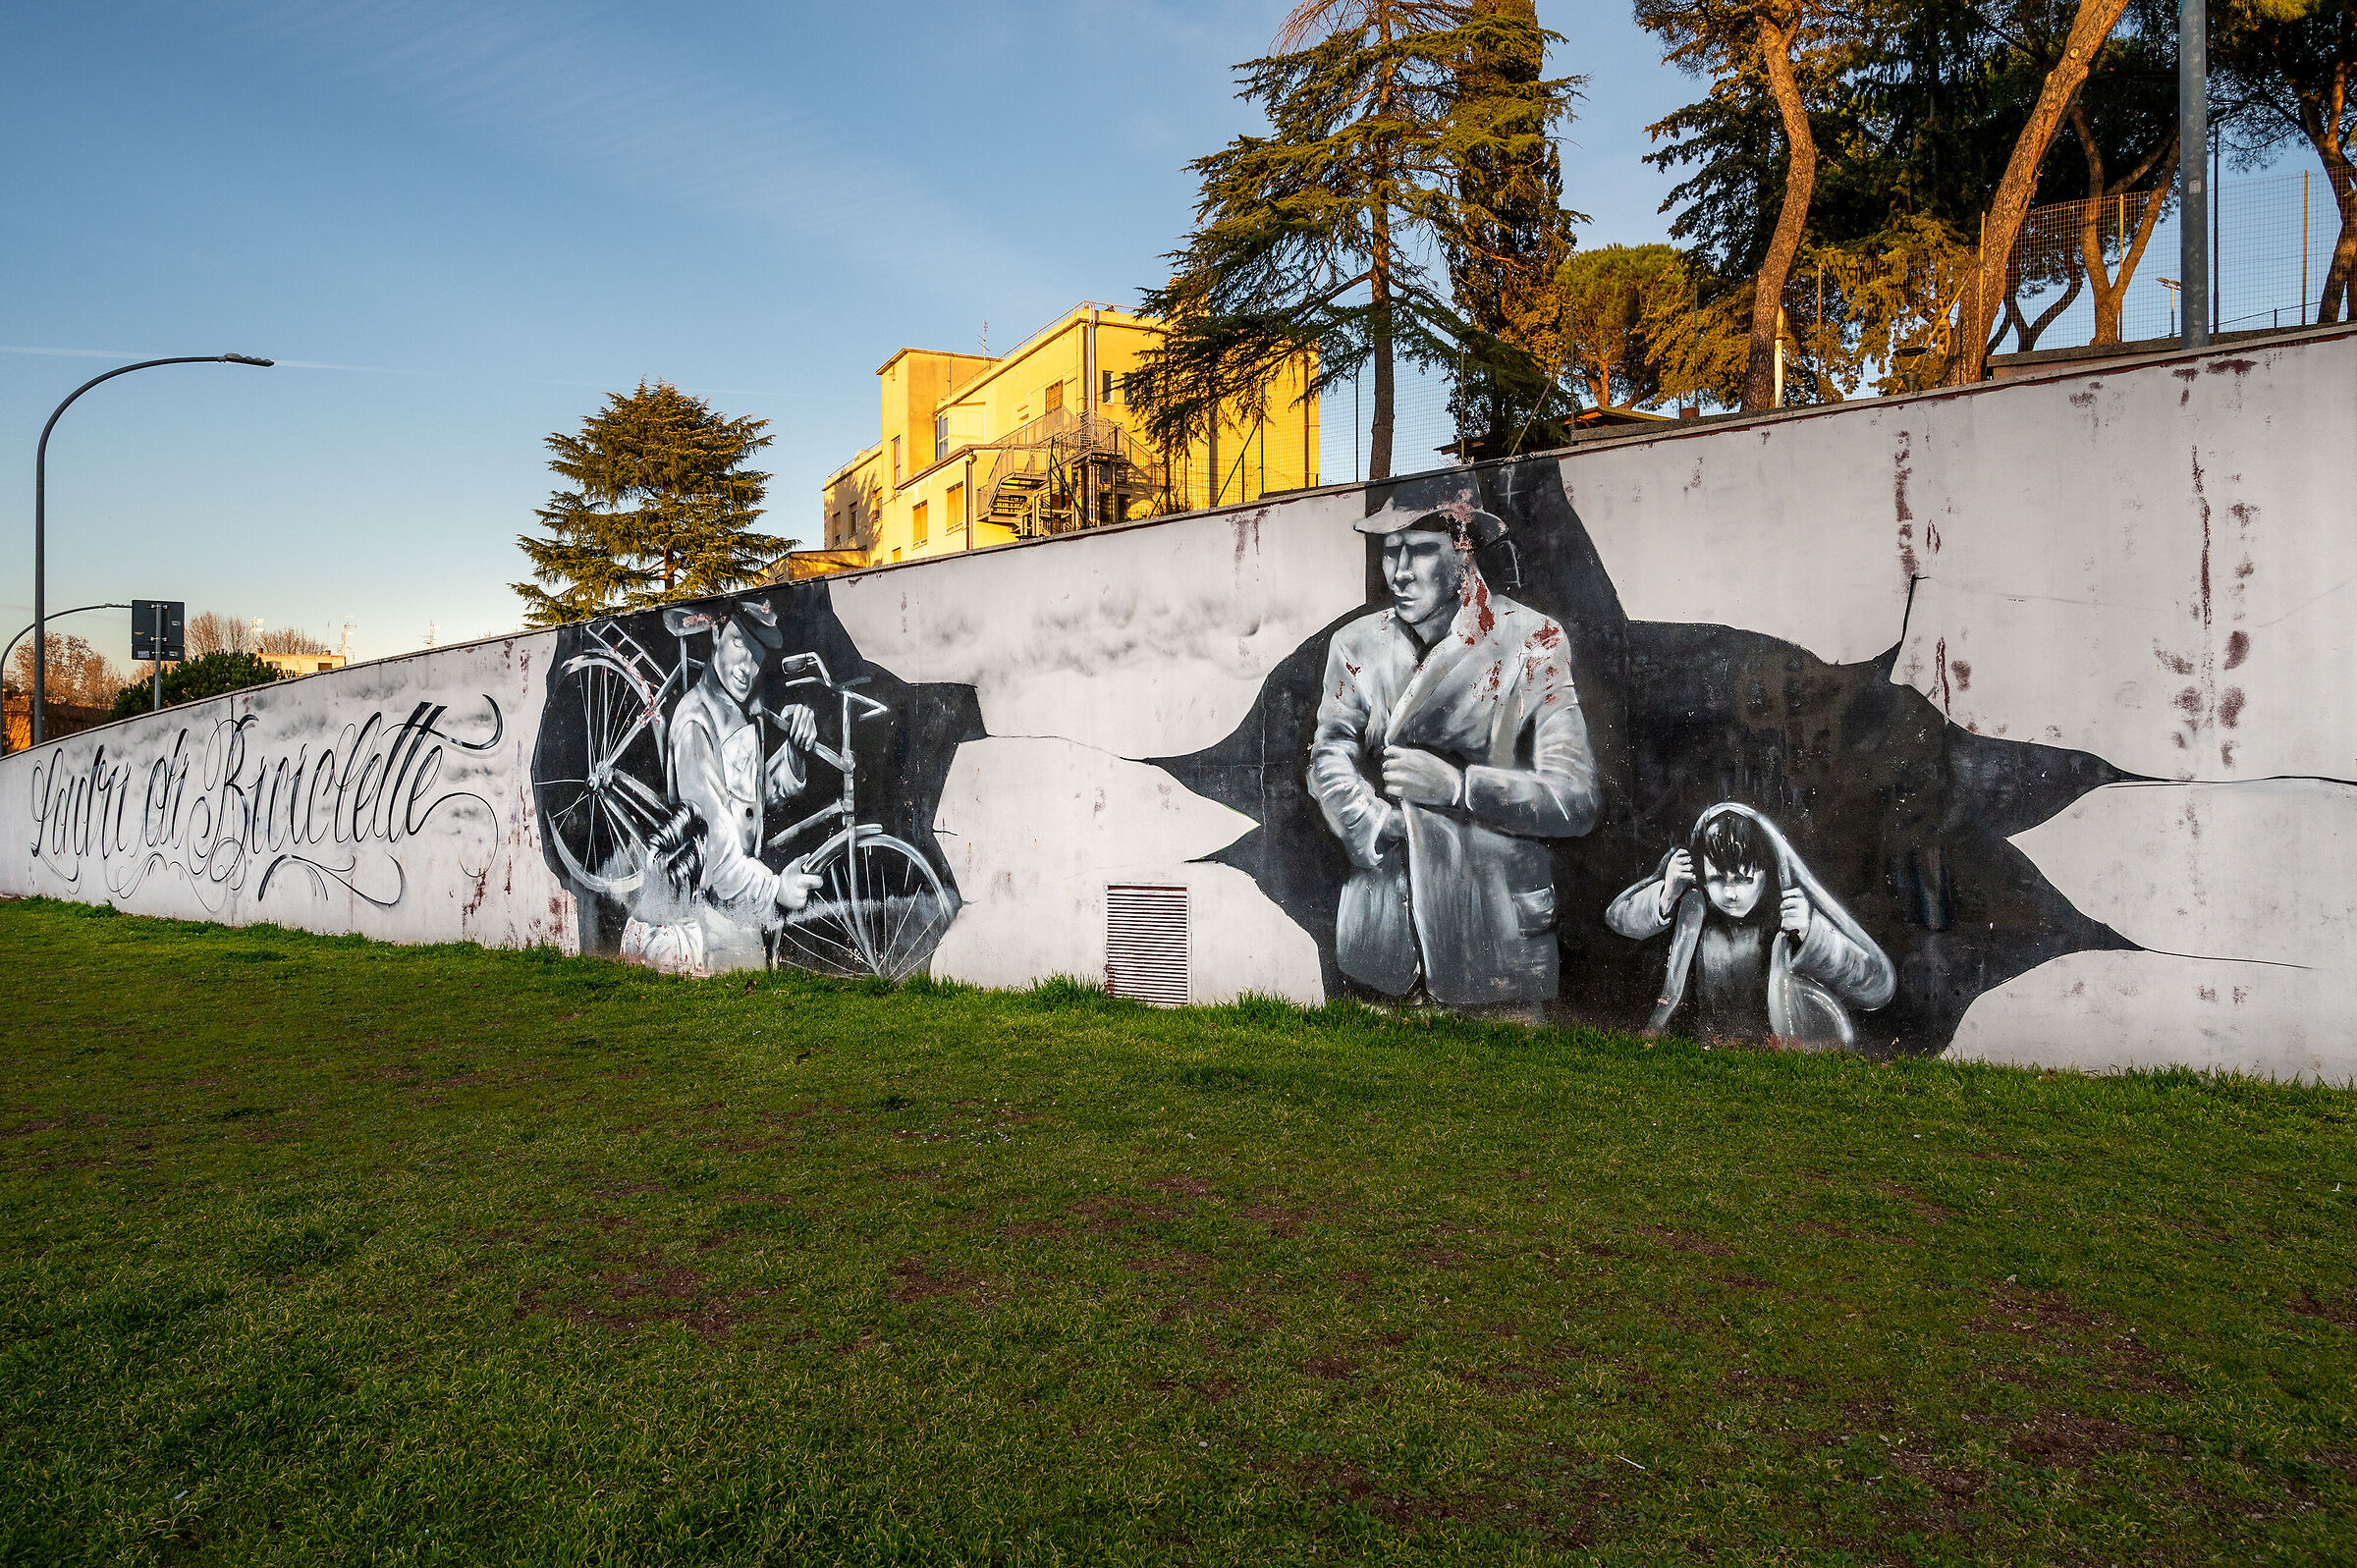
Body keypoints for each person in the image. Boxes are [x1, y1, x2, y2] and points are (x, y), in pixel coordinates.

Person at [1306, 477, 1599, 1013]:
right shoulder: (1356, 644)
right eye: (1390, 552)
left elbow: (1574, 797)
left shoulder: (1532, 640)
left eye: (1418, 551)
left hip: (1494, 946)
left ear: (1463, 550)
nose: (1398, 573)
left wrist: (1459, 788)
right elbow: (1328, 754)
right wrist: (1374, 820)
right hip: (1382, 940)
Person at [620, 598, 822, 973]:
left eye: (757, 653)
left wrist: (793, 751)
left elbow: (754, 803)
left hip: (734, 913)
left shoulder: (744, 713)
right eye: (738, 643)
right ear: (716, 636)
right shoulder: (696, 723)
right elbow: (718, 858)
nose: (747, 667)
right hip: (704, 925)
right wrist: (777, 889)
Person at [1605, 802, 1895, 1048]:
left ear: (1767, 871)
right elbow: (1618, 918)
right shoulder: (1694, 909)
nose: (1731, 893)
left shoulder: (1785, 921)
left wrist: (1812, 933)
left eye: (1744, 879)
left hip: (1777, 1050)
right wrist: (1667, 893)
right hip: (1702, 1047)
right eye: (1718, 879)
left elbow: (1876, 985)